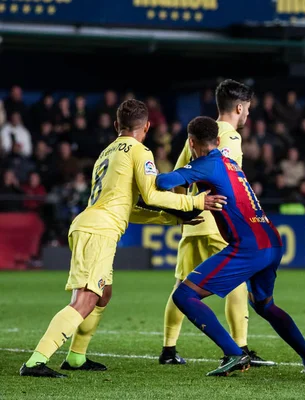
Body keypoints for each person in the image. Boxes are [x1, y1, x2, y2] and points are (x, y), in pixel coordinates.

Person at [19, 99, 225, 378]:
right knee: (87, 298)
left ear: (117, 125)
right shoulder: (140, 151)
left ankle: (77, 357)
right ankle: (36, 361)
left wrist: (172, 218)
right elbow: (152, 195)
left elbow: (127, 208)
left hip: (90, 224)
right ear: (148, 126)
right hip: (99, 231)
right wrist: (195, 202)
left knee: (103, 295)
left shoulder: (107, 153)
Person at [156, 116, 305, 377]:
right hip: (271, 239)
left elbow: (164, 182)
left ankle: (235, 353)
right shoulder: (231, 163)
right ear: (219, 140)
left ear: (191, 142)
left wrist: (148, 173)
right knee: (265, 305)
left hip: (249, 247)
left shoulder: (204, 164)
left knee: (184, 295)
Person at [160, 79, 274, 367]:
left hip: (193, 222)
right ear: (239, 107)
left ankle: (169, 350)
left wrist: (186, 210)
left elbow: (179, 177)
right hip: (218, 222)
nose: (248, 114)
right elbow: (228, 184)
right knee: (236, 284)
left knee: (181, 286)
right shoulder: (230, 137)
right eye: (247, 109)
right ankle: (240, 349)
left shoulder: (199, 133)